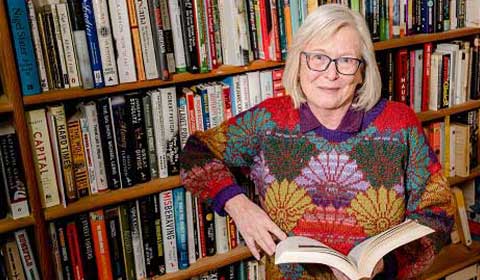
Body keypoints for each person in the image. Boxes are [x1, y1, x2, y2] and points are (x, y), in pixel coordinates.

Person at [180, 4, 454, 279]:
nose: (331, 74)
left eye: (346, 60)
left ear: (362, 71)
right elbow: (196, 154)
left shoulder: (399, 124)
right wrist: (237, 205)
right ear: (299, 62)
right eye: (318, 58)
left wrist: (387, 265)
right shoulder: (268, 121)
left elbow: (438, 212)